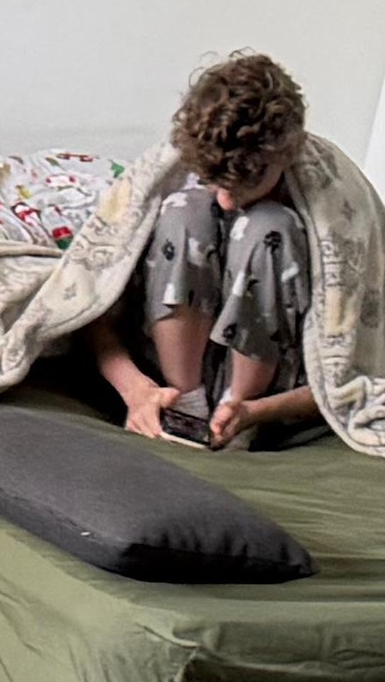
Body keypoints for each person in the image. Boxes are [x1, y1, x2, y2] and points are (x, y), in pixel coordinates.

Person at [88, 51, 323, 451]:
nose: (229, 201)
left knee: (269, 225)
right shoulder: (179, 174)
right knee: (184, 209)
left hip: (270, 387)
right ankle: (187, 403)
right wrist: (136, 391)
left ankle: (233, 408)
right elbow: (94, 308)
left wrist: (253, 412)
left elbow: (350, 364)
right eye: (218, 182)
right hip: (167, 369)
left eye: (248, 181)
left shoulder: (329, 197)